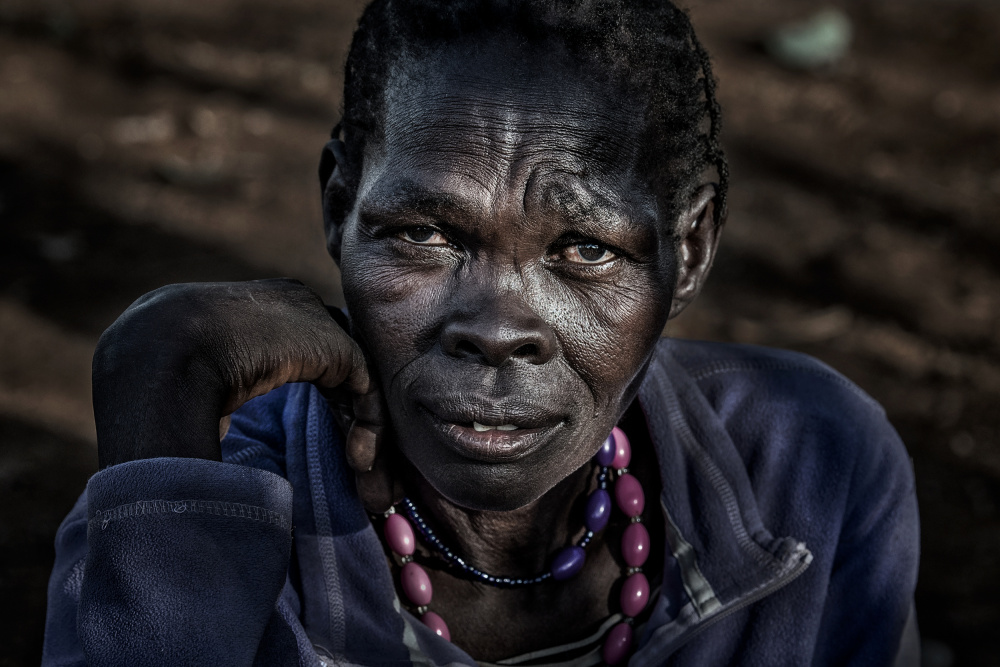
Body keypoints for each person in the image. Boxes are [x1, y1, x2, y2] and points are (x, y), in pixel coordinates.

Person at [42, 0, 920, 665]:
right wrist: (158, 380)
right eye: (424, 233)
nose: (499, 328)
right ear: (341, 207)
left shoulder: (809, 467)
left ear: (687, 251)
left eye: (584, 247)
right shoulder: (207, 514)